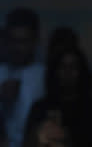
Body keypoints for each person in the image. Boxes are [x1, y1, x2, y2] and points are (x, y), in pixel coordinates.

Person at [0, 8, 45, 147]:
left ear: (35, 41)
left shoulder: (45, 75)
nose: (18, 48)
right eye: (13, 41)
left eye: (24, 41)